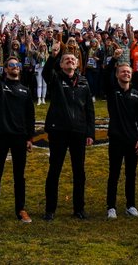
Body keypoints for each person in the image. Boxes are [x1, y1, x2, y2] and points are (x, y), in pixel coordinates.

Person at [42, 39, 95, 221]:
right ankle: (50, 209)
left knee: (79, 171)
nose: (70, 62)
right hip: (58, 131)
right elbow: (46, 72)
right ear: (61, 64)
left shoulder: (84, 82)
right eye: (66, 60)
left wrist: (90, 132)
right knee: (54, 170)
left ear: (78, 63)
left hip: (79, 132)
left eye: (73, 60)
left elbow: (89, 109)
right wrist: (53, 55)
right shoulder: (56, 78)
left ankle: (79, 208)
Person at [0, 56, 35, 224]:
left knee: (19, 176)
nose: (15, 67)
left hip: (20, 137)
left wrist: (30, 138)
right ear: (6, 69)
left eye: (17, 64)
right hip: (2, 136)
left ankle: (20, 210)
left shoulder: (25, 90)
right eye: (11, 65)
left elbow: (30, 116)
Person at [103, 49, 138, 219]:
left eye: (129, 71)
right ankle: (111, 207)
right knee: (114, 173)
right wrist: (114, 59)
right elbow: (105, 75)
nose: (126, 73)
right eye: (123, 71)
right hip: (115, 139)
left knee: (131, 174)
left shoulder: (136, 95)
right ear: (117, 74)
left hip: (132, 140)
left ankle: (131, 205)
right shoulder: (112, 91)